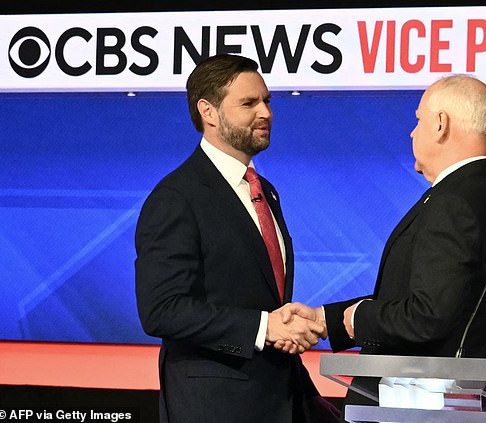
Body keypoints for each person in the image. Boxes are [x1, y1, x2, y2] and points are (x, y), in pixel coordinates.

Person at [278, 74, 486, 412]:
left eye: (418, 119)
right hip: (449, 401)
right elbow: (425, 297)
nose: (412, 132)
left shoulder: (455, 202)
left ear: (440, 124)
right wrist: (326, 319)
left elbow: (427, 316)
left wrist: (358, 318)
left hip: (419, 403)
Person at [135, 54, 338, 423]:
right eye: (249, 103)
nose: (266, 113)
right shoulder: (177, 197)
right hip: (214, 407)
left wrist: (282, 329)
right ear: (208, 112)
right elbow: (161, 309)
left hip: (279, 397)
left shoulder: (266, 191)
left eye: (267, 101)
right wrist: (264, 327)